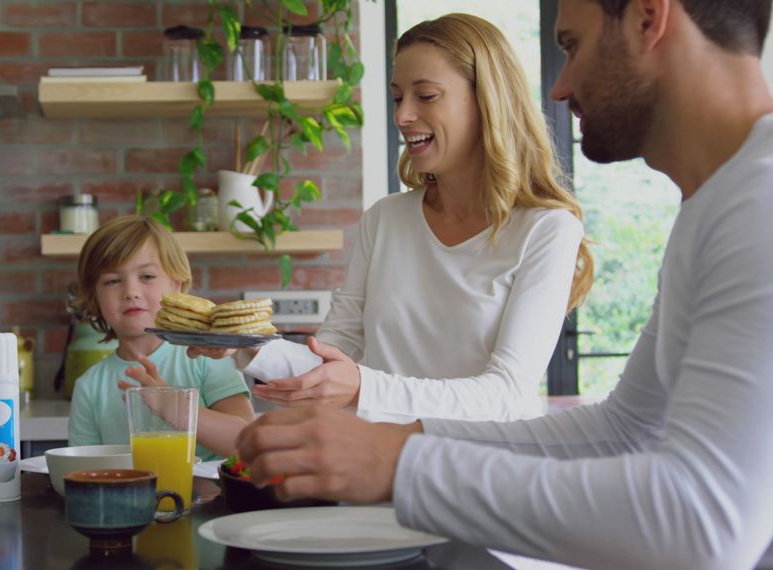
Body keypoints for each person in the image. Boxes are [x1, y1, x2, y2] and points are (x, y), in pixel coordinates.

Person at [236, 0, 773, 568]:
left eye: (572, 45)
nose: (560, 87)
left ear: (648, 18)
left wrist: (400, 465)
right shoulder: (713, 206)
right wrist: (398, 444)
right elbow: (624, 430)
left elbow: (706, 522)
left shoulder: (758, 207)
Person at [194, 13, 594, 423]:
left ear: (486, 100)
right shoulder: (385, 220)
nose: (402, 116)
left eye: (426, 96)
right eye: (398, 96)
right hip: (378, 472)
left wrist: (363, 387)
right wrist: (245, 343)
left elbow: (505, 394)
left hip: (483, 478)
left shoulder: (547, 230)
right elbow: (331, 359)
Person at [67, 215, 254, 460]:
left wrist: (173, 407)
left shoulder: (207, 357)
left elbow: (248, 443)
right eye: (113, 281)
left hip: (212, 498)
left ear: (177, 284)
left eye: (147, 276)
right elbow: (84, 473)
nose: (131, 292)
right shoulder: (89, 387)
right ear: (94, 297)